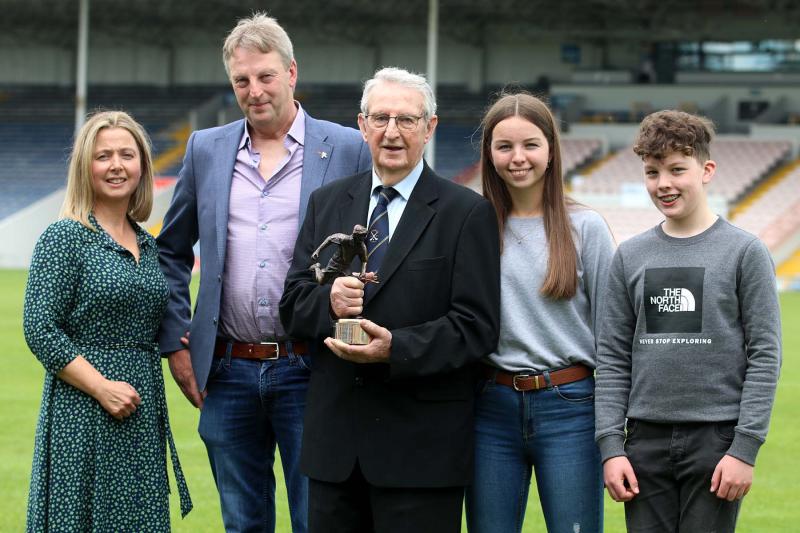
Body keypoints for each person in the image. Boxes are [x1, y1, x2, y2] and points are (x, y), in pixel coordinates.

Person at [156, 13, 371, 533]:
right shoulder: (206, 149)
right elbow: (171, 251)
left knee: (317, 520)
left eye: (265, 76)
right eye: (241, 80)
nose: (254, 91)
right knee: (242, 523)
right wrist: (176, 344)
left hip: (313, 367)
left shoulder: (348, 147)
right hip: (227, 370)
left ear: (291, 73)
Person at [279, 67, 501, 533]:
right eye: (380, 118)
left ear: (430, 127)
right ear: (362, 126)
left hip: (421, 453)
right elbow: (293, 305)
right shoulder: (327, 202)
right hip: (336, 451)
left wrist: (394, 349)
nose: (392, 132)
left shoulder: (466, 213)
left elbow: (476, 327)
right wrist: (329, 302)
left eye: (406, 119)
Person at [595, 110, 782, 532]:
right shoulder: (630, 256)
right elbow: (612, 357)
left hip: (716, 440)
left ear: (706, 170)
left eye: (677, 170)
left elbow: (765, 355)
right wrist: (611, 447)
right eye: (652, 172)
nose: (663, 183)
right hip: (643, 441)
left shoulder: (744, 252)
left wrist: (744, 449)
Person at [23, 110, 192, 532]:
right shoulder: (65, 236)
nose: (116, 165)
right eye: (103, 156)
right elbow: (40, 328)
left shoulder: (149, 246)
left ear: (143, 166)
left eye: (126, 155)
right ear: (86, 166)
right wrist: (101, 387)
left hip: (141, 410)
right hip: (82, 409)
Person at [464, 92, 615, 533]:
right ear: (489, 154)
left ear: (551, 150)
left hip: (571, 406)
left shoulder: (586, 228)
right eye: (504, 146)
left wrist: (613, 432)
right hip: (490, 407)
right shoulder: (471, 225)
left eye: (530, 144)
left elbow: (613, 338)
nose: (518, 157)